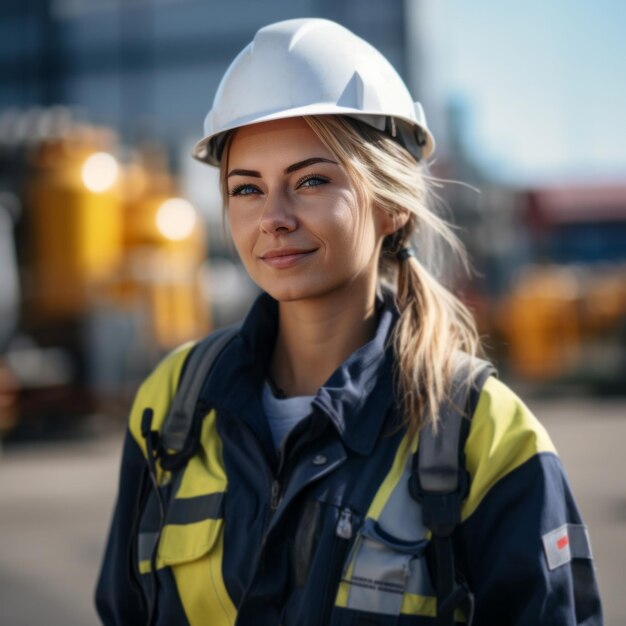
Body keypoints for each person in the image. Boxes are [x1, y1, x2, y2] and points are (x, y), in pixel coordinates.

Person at [95, 18, 603, 626]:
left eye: (311, 181)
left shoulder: (487, 436)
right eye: (247, 189)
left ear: (390, 203)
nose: (273, 218)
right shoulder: (172, 401)